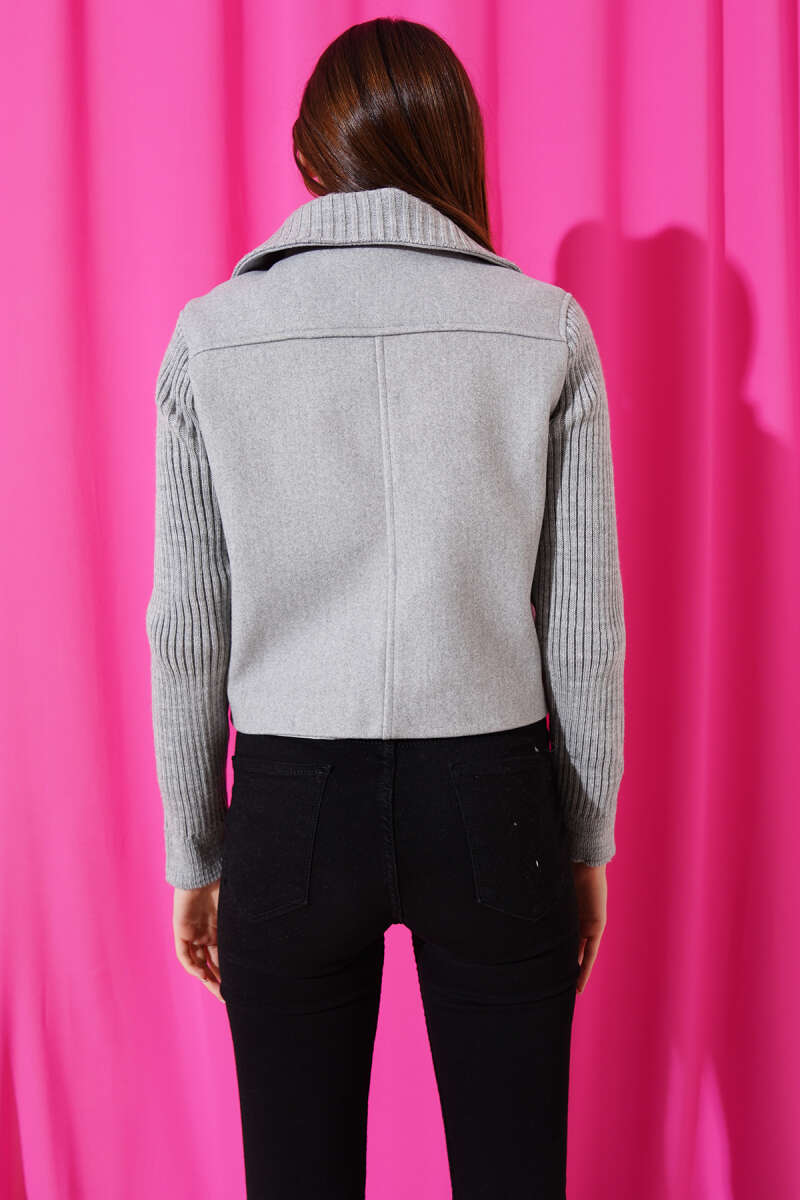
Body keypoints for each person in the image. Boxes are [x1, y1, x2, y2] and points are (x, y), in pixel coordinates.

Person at [145, 16, 626, 1200]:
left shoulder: (213, 335)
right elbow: (582, 627)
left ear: (312, 157)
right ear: (453, 146)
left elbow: (186, 627)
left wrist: (195, 849)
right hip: (493, 802)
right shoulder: (544, 328)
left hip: (291, 810)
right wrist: (584, 838)